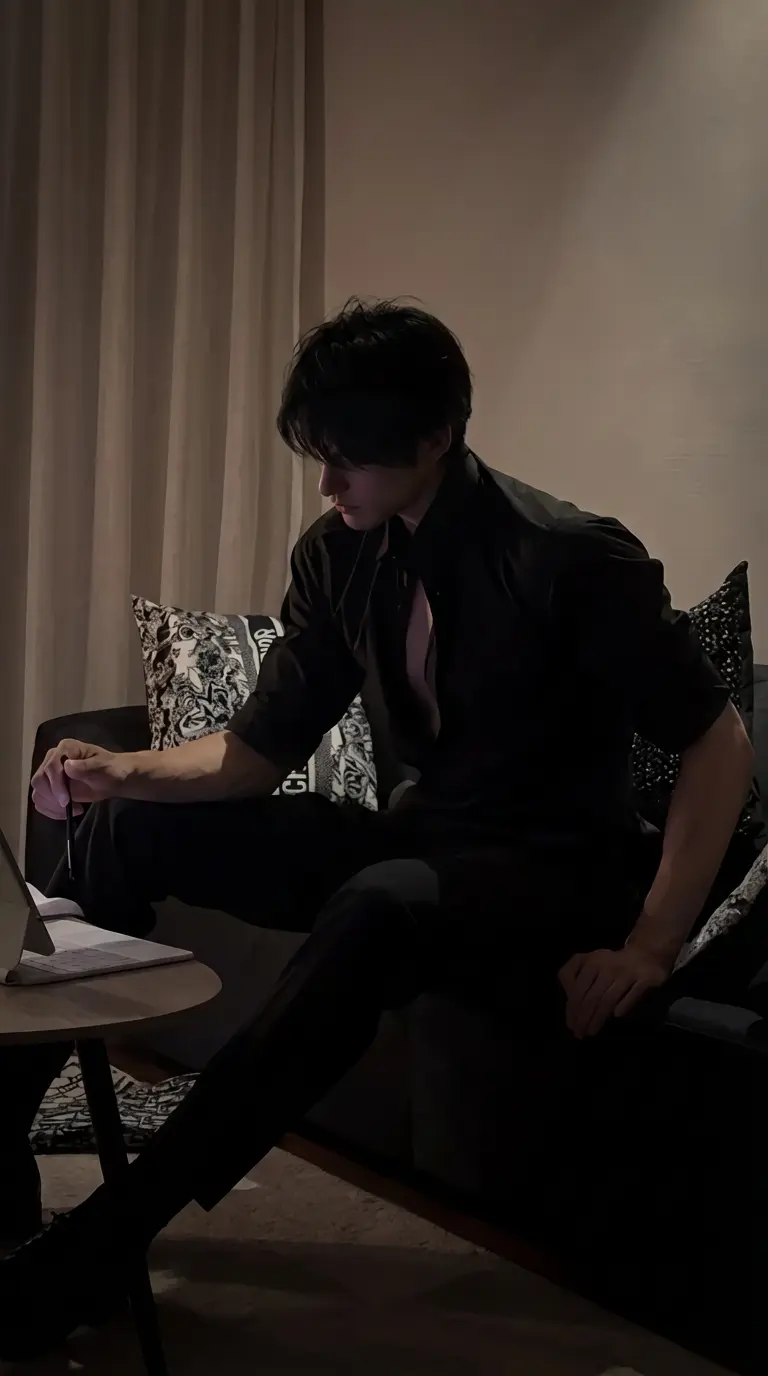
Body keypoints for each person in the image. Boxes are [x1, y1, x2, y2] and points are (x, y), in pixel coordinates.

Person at [0, 299, 756, 1359]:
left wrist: (651, 944)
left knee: (376, 904)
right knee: (131, 831)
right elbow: (254, 752)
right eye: (320, 457)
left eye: (346, 457)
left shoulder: (569, 556)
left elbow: (719, 738)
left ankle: (98, 1247)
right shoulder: (339, 553)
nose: (327, 484)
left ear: (436, 434)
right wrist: (118, 773)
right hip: (427, 842)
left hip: (554, 871)